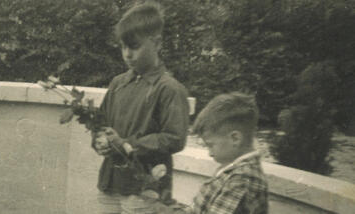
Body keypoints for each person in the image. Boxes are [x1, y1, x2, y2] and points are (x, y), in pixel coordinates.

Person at [92, 2, 190, 213]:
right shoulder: (118, 84)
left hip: (145, 191)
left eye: (134, 46)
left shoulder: (169, 89)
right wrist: (99, 141)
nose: (127, 54)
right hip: (110, 184)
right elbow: (100, 122)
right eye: (123, 46)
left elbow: (175, 138)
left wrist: (127, 144)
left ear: (157, 43)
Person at [188, 92, 269, 214]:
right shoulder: (233, 170)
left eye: (210, 145)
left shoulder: (242, 180)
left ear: (235, 138)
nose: (209, 153)